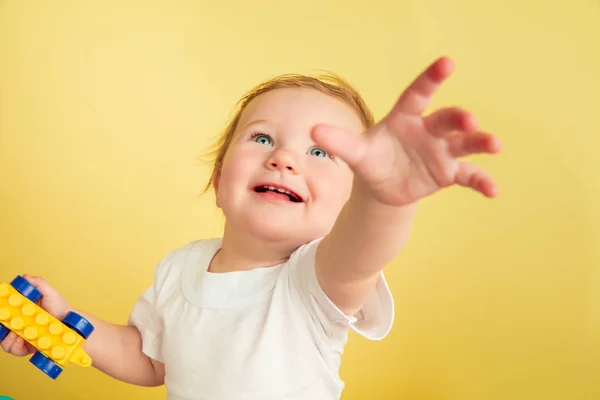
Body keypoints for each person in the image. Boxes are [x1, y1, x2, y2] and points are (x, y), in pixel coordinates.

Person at [1, 57, 501, 399]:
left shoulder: (312, 282)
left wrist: (386, 198)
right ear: (219, 181)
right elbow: (149, 358)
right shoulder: (180, 268)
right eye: (262, 138)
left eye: (320, 152)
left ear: (349, 203)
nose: (283, 158)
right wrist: (66, 326)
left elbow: (362, 251)